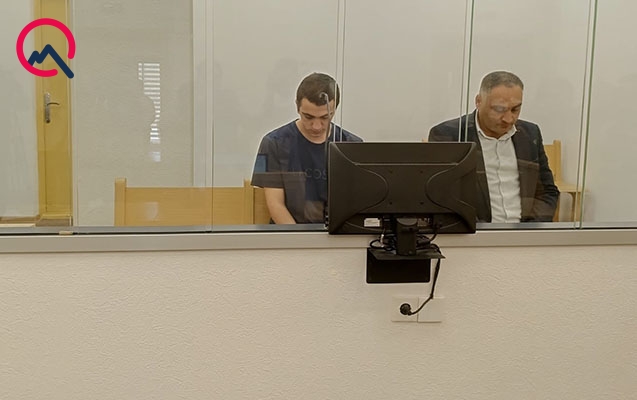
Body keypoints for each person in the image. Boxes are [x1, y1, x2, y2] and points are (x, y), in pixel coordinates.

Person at [429, 70, 559, 223]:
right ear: (478, 101)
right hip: (475, 232)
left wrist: (531, 229)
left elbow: (547, 191)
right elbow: (442, 196)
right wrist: (479, 231)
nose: (508, 119)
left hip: (525, 230)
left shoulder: (530, 134)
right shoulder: (449, 135)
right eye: (499, 109)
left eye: (515, 109)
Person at [251, 72, 363, 224]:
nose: (316, 126)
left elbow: (356, 204)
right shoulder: (273, 143)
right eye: (308, 117)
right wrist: (298, 237)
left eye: (325, 117)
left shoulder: (352, 145)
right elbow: (276, 205)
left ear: (335, 110)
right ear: (297, 107)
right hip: (290, 232)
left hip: (335, 232)